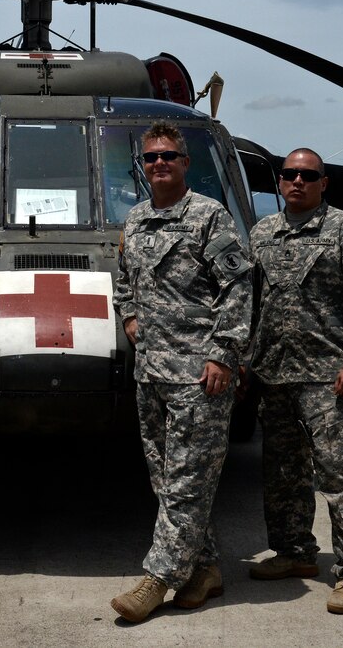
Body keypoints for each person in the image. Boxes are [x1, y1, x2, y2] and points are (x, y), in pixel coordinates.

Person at [110, 122, 253, 623]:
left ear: (185, 163)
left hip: (200, 376)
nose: (159, 164)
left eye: (168, 156)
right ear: (142, 165)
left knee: (188, 483)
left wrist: (223, 354)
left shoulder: (209, 216)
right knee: (167, 480)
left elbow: (238, 288)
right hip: (152, 374)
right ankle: (204, 568)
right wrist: (128, 316)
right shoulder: (135, 220)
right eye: (150, 158)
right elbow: (122, 280)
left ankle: (159, 577)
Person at [247, 147, 343, 615]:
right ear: (280, 182)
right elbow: (247, 300)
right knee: (283, 473)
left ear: (323, 183)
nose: (298, 181)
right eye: (290, 174)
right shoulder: (262, 233)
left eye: (308, 175)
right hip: (274, 375)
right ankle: (293, 552)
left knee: (339, 476)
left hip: (327, 377)